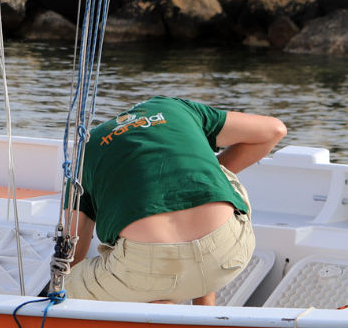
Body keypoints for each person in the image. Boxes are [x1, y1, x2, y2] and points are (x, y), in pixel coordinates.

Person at [64, 96, 286, 305]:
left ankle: (157, 302)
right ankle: (204, 311)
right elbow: (275, 130)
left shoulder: (86, 149)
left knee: (68, 285)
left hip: (146, 272)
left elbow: (73, 250)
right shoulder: (176, 108)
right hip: (227, 255)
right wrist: (210, 170)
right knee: (213, 178)